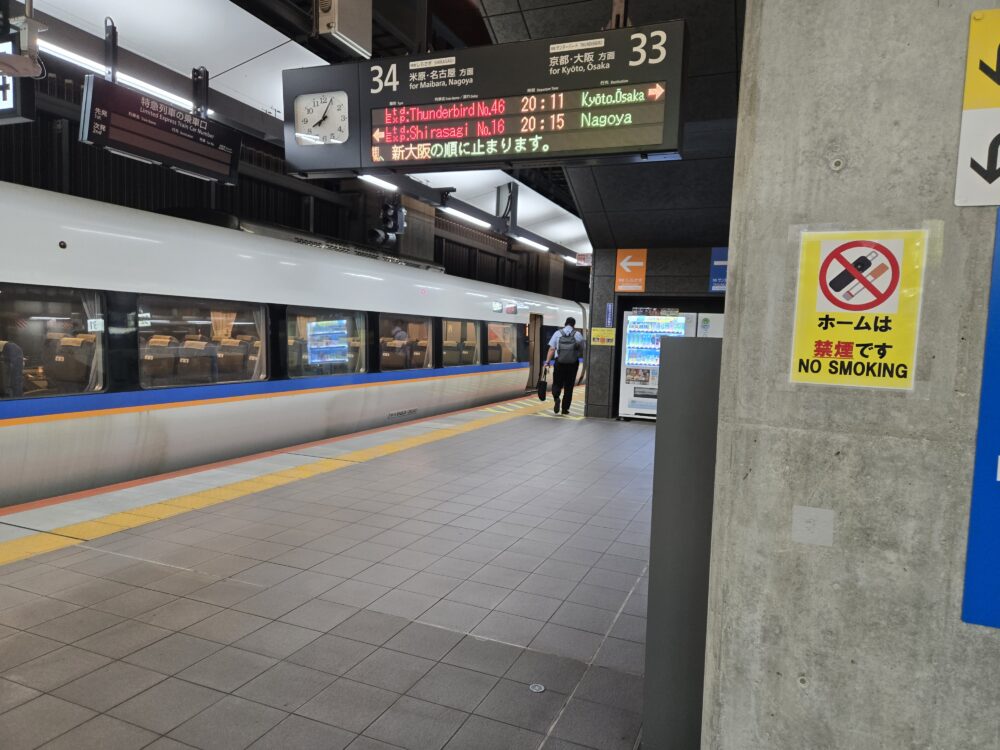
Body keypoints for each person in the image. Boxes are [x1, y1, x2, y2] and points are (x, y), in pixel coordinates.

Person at [546, 317, 585, 415]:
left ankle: (556, 398)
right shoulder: (578, 334)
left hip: (559, 363)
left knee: (557, 383)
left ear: (565, 323)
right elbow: (582, 349)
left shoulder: (557, 333)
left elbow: (552, 349)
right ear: (574, 325)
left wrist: (547, 362)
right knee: (569, 387)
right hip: (572, 364)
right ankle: (565, 409)